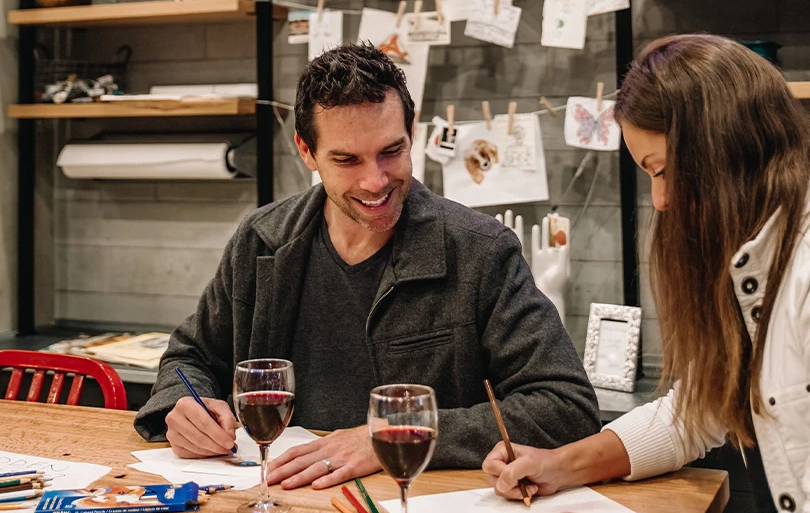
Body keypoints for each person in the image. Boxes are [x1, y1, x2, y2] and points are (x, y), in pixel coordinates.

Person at [134, 43, 601, 490]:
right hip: (279, 504)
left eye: (391, 152)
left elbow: (564, 406)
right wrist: (182, 404)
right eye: (346, 160)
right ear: (306, 151)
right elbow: (189, 357)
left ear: (411, 133)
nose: (375, 180)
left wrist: (388, 436)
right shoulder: (260, 241)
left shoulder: (480, 252)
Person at [482, 34, 810, 513]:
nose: (660, 201)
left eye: (661, 170)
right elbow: (696, 410)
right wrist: (562, 465)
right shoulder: (756, 261)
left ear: (720, 147)